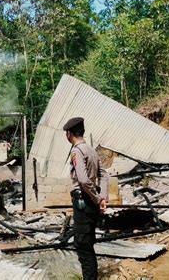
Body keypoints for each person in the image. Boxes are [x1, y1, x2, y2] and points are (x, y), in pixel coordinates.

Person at [63, 117, 108, 280]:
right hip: (91, 203)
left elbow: (82, 180)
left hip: (83, 202)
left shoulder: (76, 151)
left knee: (82, 245)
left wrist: (97, 199)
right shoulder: (91, 150)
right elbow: (104, 174)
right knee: (88, 245)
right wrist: (102, 197)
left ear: (69, 134)